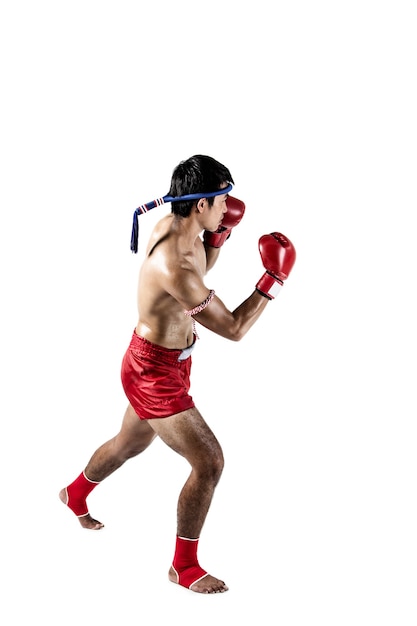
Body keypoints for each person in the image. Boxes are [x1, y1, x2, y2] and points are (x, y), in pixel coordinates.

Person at [59, 154, 296, 594]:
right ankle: (183, 567)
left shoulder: (177, 226)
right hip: (154, 373)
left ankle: (74, 494)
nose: (230, 206)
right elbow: (234, 328)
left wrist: (219, 237)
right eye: (222, 202)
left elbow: (200, 268)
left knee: (128, 443)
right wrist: (273, 278)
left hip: (164, 362)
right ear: (201, 204)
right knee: (209, 461)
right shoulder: (176, 264)